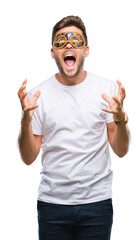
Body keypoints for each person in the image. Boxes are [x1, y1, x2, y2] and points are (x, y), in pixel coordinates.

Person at [18, 15, 130, 240]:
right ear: (53, 53)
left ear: (86, 50)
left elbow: (121, 150)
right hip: (52, 204)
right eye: (61, 42)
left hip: (97, 203)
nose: (68, 46)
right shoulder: (38, 96)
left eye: (75, 41)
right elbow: (28, 157)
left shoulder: (106, 91)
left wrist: (119, 119)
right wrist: (25, 121)